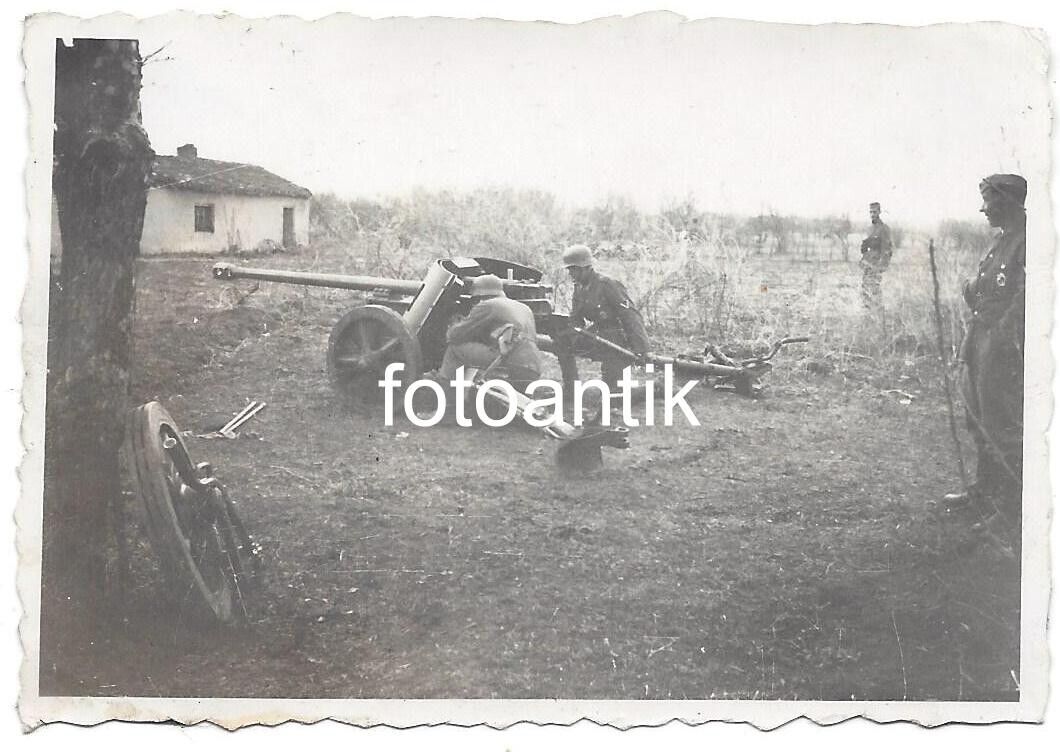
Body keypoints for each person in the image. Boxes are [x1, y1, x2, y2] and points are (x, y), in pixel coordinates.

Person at [943, 174, 1026, 529]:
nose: (983, 209)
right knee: (977, 418)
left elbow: (1025, 298)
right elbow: (989, 288)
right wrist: (971, 288)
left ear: (1007, 201)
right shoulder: (1002, 241)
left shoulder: (1029, 242)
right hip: (980, 339)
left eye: (989, 201)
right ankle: (986, 491)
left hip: (1001, 345)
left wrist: (1003, 339)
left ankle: (1009, 512)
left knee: (1002, 426)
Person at [562, 244, 651, 390]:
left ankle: (656, 389)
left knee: (614, 391)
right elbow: (575, 316)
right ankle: (571, 389)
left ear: (585, 267)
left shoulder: (607, 285)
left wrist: (641, 348)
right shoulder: (579, 287)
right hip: (597, 334)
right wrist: (572, 334)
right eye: (569, 269)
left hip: (617, 339)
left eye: (573, 270)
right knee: (562, 343)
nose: (570, 274)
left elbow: (630, 315)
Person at [440, 273, 542, 389]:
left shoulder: (488, 305)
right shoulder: (524, 308)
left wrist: (455, 324)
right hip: (533, 367)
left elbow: (454, 335)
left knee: (455, 348)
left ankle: (445, 389)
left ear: (481, 296)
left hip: (509, 362)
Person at [860, 201, 894, 312]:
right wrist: (863, 255)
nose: (872, 214)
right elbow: (867, 248)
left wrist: (882, 265)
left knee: (875, 290)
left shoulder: (884, 229)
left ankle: (878, 314)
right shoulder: (869, 228)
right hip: (867, 264)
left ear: (879, 212)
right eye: (870, 212)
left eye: (874, 212)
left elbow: (887, 249)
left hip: (876, 264)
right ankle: (868, 314)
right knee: (865, 289)